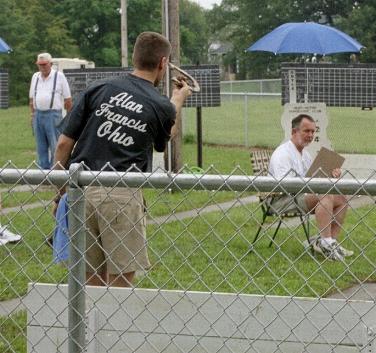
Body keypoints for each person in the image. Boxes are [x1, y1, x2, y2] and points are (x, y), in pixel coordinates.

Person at [53, 32, 192, 287]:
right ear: (163, 63)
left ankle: (89, 327)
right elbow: (165, 139)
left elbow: (63, 144)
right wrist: (177, 101)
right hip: (122, 193)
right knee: (121, 283)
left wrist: (61, 191)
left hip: (81, 190)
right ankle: (113, 328)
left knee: (89, 281)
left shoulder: (98, 88)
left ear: (135, 57)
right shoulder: (160, 105)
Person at [268, 114, 351, 261]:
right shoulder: (282, 154)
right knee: (324, 194)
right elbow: (284, 186)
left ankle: (330, 242)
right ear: (294, 132)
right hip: (280, 200)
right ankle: (325, 244)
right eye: (306, 131)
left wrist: (330, 175)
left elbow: (312, 179)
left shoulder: (305, 154)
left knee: (342, 198)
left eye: (313, 131)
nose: (311, 135)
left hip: (300, 195)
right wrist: (313, 185)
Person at [29, 52, 72, 169]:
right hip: (38, 115)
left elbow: (68, 100)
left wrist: (69, 118)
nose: (42, 67)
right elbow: (32, 99)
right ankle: (43, 171)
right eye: (40, 64)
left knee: (55, 145)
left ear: (51, 64)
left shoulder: (59, 76)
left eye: (44, 64)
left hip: (53, 115)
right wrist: (32, 115)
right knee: (40, 146)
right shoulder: (35, 77)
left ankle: (56, 171)